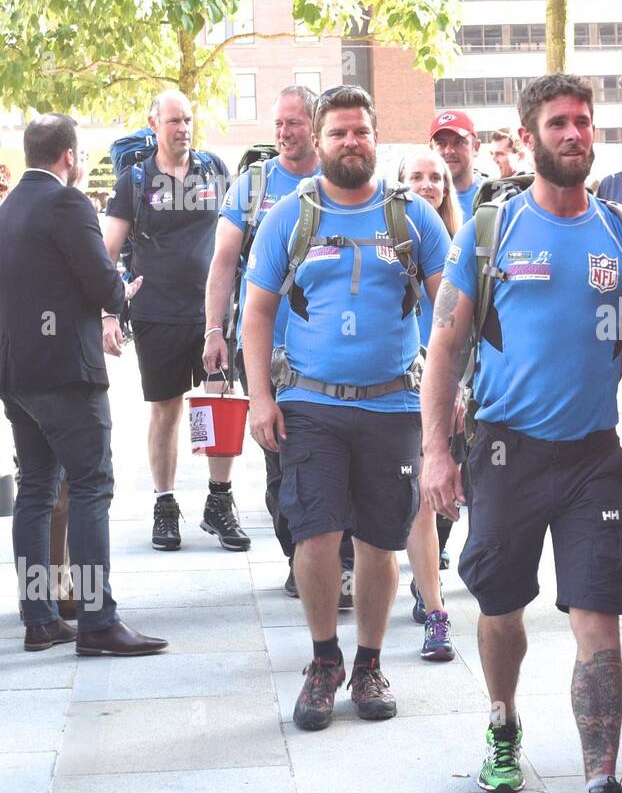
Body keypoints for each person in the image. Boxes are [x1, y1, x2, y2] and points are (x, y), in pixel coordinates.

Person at [421, 73, 622, 793]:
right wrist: (435, 452)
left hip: (593, 458)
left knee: (599, 614)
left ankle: (601, 790)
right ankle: (502, 719)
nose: (574, 134)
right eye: (558, 123)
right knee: (501, 613)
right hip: (503, 451)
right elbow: (445, 348)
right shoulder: (492, 232)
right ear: (529, 136)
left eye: (583, 122)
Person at [243, 85, 449, 731]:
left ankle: (368, 662)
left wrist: (453, 399)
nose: (350, 142)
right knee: (315, 535)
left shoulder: (414, 218)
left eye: (360, 131)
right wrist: (259, 398)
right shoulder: (290, 217)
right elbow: (256, 311)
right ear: (321, 140)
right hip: (310, 406)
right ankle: (324, 659)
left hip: (395, 407)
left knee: (380, 542)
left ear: (375, 137)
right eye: (338, 133)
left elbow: (451, 314)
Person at [0, 114, 167, 656]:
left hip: (16, 372)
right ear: (69, 155)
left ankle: (40, 617)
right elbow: (100, 280)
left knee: (35, 492)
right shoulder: (68, 204)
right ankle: (98, 621)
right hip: (67, 373)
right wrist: (123, 293)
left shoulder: (7, 210)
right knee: (92, 486)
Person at [201, 84, 357, 603]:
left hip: (332, 350)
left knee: (339, 456)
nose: (286, 134)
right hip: (267, 349)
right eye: (279, 125)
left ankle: (345, 560)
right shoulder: (253, 185)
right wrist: (213, 331)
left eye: (295, 123)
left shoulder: (336, 181)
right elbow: (224, 260)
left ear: (315, 126)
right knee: (282, 459)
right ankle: (300, 557)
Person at [101, 90, 250, 554]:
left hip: (212, 313)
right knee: (166, 409)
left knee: (219, 401)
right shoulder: (134, 180)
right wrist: (108, 312)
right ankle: (165, 505)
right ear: (153, 124)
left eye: (187, 120)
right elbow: (106, 252)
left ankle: (219, 501)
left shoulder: (215, 171)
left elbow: (238, 235)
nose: (182, 128)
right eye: (173, 121)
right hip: (156, 312)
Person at [396, 148, 460, 661]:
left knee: (434, 495)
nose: (427, 184)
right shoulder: (389, 235)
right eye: (415, 177)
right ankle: (425, 586)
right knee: (417, 494)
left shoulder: (462, 241)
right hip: (394, 381)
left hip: (438, 381)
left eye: (435, 177)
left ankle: (430, 592)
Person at [431, 108, 485, 222]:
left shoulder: (493, 197)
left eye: (459, 142)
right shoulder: (421, 200)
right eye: (441, 144)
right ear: (431, 149)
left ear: (475, 147)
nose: (449, 151)